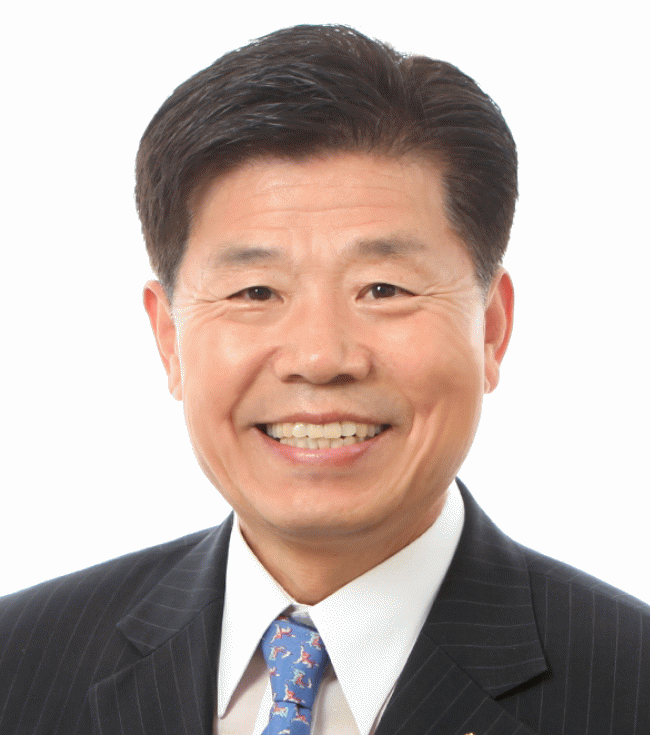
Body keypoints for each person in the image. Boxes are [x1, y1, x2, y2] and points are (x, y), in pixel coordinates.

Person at [0, 23, 648, 735]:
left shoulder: (629, 685)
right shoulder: (18, 662)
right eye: (255, 291)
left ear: (491, 327)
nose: (319, 356)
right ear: (169, 339)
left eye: (383, 288)